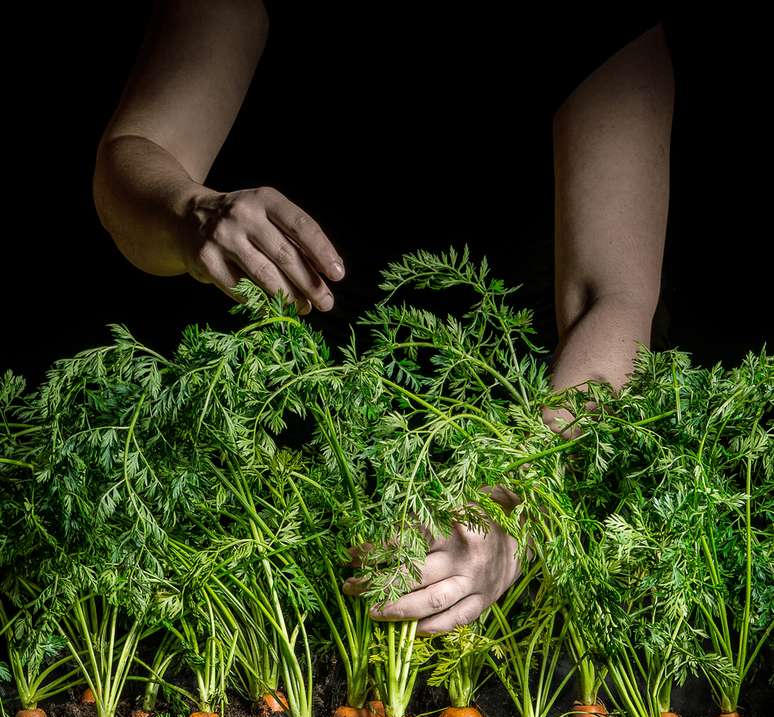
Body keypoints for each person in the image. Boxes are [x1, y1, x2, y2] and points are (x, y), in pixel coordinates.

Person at [93, 0, 674, 634]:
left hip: (498, 471)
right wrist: (188, 211)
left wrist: (514, 505)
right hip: (251, 477)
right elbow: (134, 154)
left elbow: (610, 298)